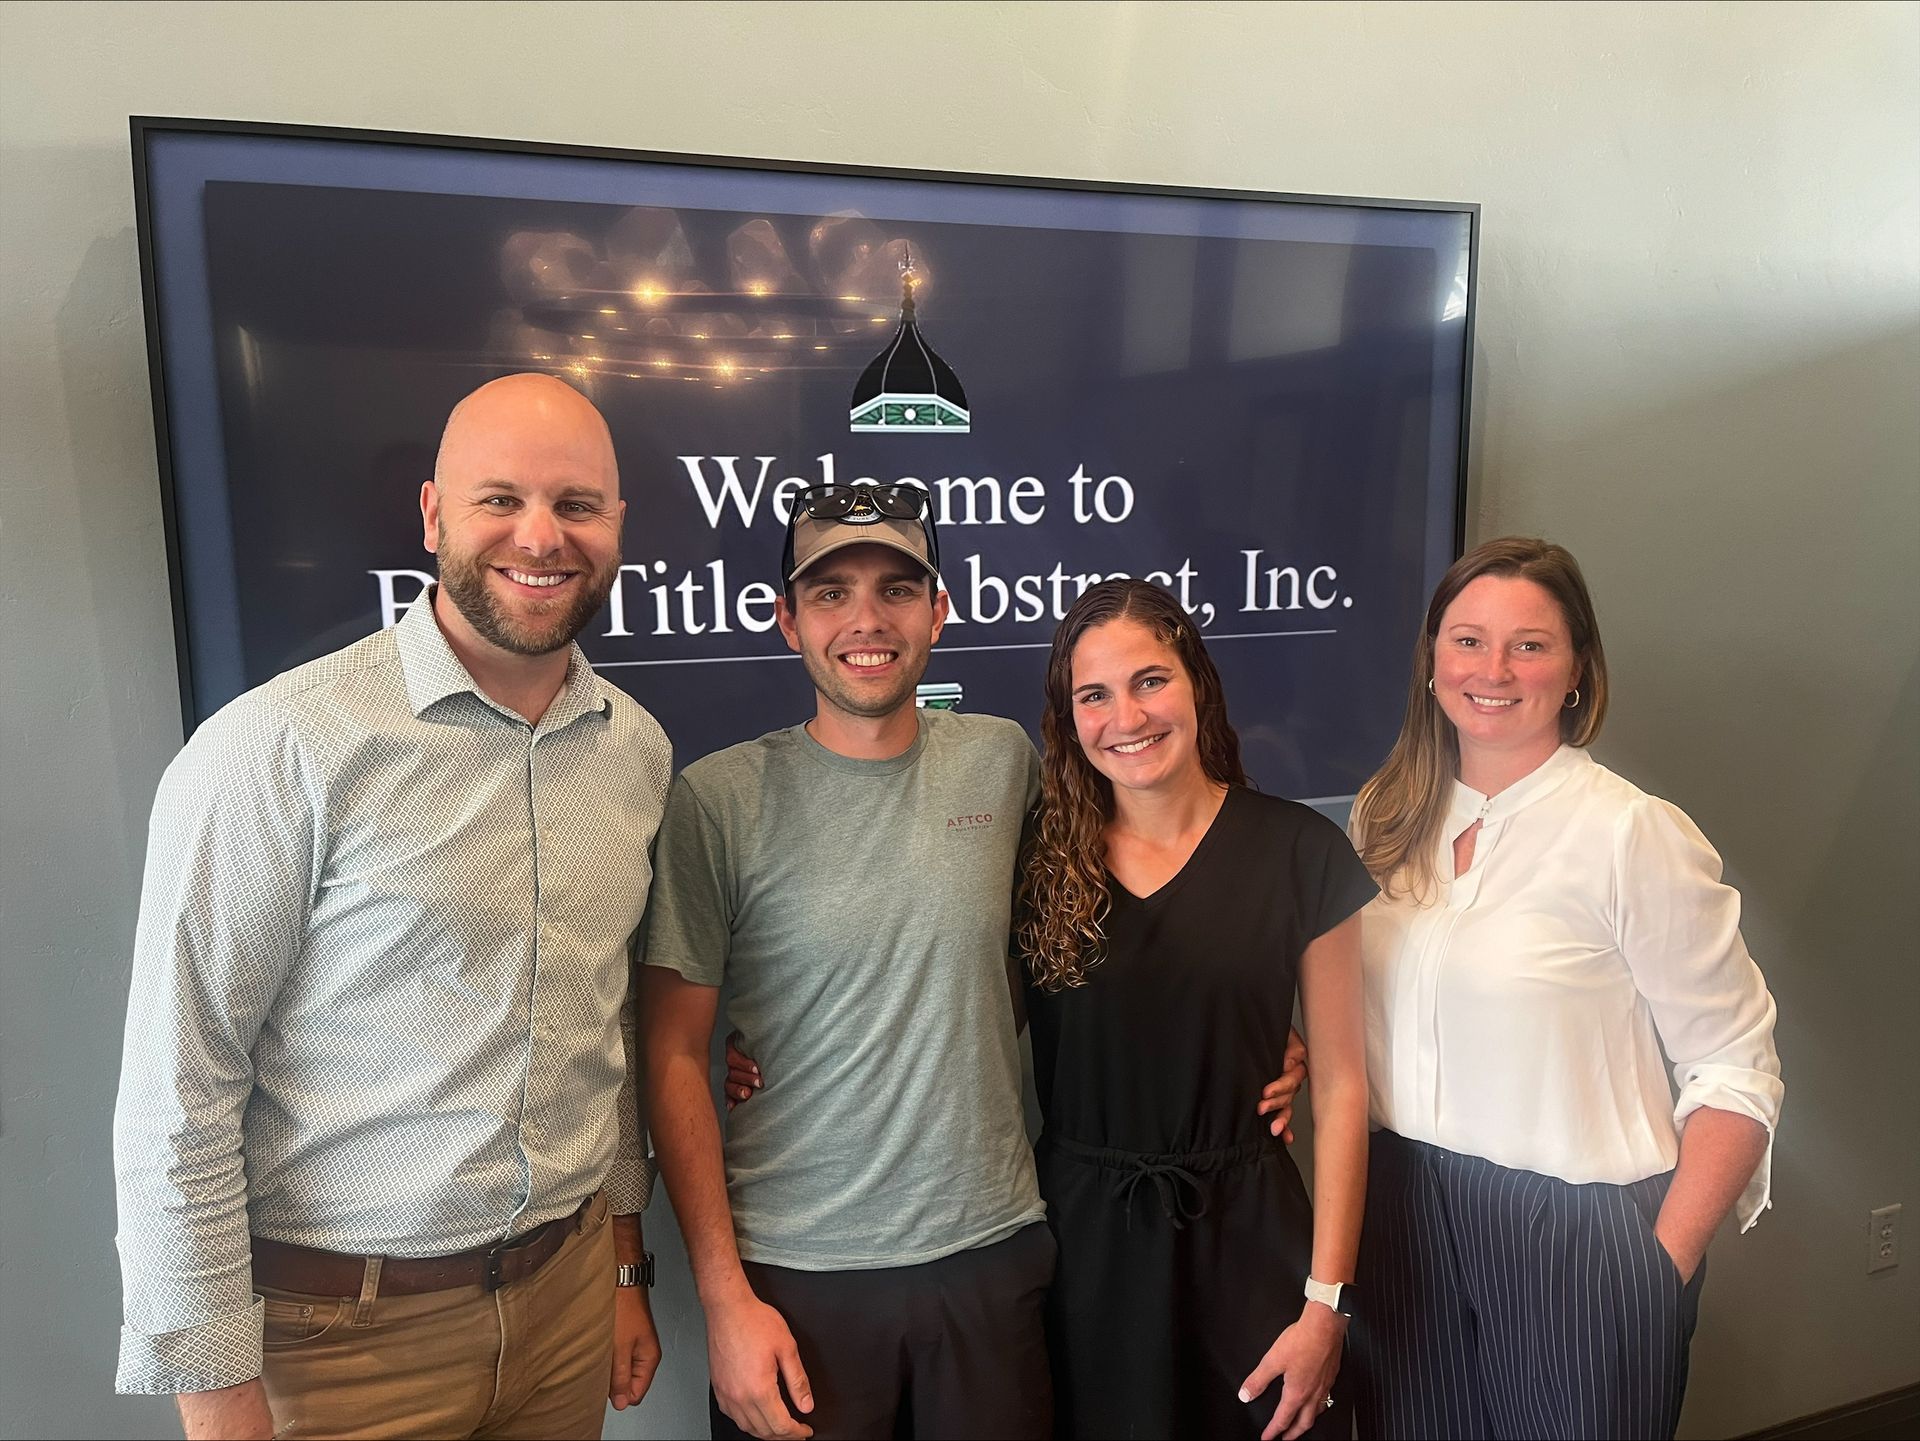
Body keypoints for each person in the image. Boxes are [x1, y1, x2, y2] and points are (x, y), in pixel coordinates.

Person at [113, 373, 670, 1441]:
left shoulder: (635, 750)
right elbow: (178, 1089)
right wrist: (215, 1393)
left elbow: (605, 1027)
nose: (541, 535)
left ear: (617, 524)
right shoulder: (283, 746)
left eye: (577, 505)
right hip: (337, 1346)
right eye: (499, 499)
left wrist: (622, 1262)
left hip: (564, 1310)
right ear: (432, 516)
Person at [641, 482, 1058, 1441]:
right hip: (797, 1277)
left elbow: (1073, 947)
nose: (866, 620)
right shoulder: (718, 800)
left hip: (988, 1254)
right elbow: (671, 1055)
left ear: (938, 612)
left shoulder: (1004, 762)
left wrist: (1253, 1038)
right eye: (831, 592)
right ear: (788, 620)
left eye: (896, 589)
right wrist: (724, 1300)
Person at [1345, 536, 1784, 1441]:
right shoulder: (1385, 819)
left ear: (1578, 668)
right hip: (1400, 1217)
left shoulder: (1630, 834)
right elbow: (1381, 1015)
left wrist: (1655, 1271)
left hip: (1576, 1238)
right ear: (1432, 658)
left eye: (1530, 645)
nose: (1493, 670)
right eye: (1468, 640)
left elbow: (1737, 1069)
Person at [1016, 580, 1374, 1441]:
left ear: (1196, 684)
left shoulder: (1300, 850)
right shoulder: (1035, 862)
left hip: (1252, 1244)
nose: (1127, 716)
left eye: (1150, 680)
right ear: (1067, 719)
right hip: (1085, 1256)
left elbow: (1343, 1088)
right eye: (1094, 695)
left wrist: (1326, 1304)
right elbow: (949, 1015)